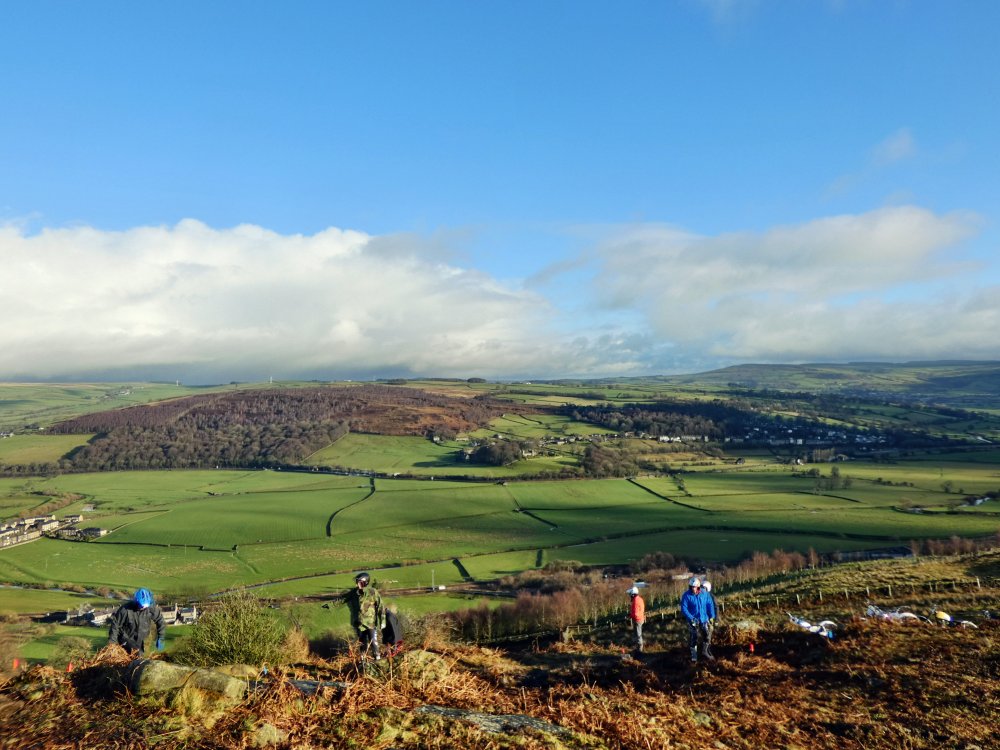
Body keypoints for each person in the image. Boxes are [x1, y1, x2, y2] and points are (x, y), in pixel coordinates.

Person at [107, 587, 166, 654]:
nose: (143, 607)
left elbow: (160, 621)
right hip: (126, 638)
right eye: (141, 605)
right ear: (136, 601)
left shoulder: (152, 609)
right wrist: (112, 643)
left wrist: (161, 637)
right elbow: (115, 625)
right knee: (136, 654)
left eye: (145, 606)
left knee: (140, 654)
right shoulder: (125, 610)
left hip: (141, 640)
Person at [348, 571, 383, 660]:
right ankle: (363, 660)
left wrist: (383, 621)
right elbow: (342, 600)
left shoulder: (373, 592)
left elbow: (380, 606)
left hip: (371, 623)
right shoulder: (354, 593)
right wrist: (329, 605)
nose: (357, 583)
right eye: (357, 582)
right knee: (362, 643)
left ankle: (378, 659)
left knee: (373, 641)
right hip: (359, 623)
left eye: (359, 581)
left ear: (365, 582)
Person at [679, 577, 715, 662]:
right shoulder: (686, 596)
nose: (693, 589)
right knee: (694, 637)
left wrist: (712, 616)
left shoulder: (704, 594)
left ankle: (705, 651)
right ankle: (694, 656)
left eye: (695, 587)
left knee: (707, 635)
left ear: (698, 587)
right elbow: (684, 608)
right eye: (691, 587)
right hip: (693, 620)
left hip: (704, 619)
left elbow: (710, 604)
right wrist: (691, 618)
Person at [626, 586, 645, 653]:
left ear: (633, 594)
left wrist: (630, 616)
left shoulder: (636, 601)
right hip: (640, 618)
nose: (630, 596)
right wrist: (630, 614)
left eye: (630, 595)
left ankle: (640, 650)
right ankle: (638, 648)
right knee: (637, 634)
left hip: (638, 620)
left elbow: (636, 613)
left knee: (638, 634)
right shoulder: (639, 599)